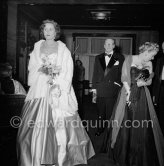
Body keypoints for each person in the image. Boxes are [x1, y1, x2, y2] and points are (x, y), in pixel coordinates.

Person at [17, 19, 95, 166]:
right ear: (42, 31)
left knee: (61, 128)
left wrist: (57, 79)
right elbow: (32, 67)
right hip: (39, 88)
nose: (47, 32)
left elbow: (68, 70)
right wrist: (41, 69)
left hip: (57, 87)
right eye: (45, 29)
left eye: (51, 29)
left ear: (56, 32)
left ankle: (61, 157)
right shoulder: (37, 46)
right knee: (27, 134)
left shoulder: (63, 50)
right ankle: (34, 155)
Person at [107, 42, 164, 166]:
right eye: (152, 55)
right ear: (146, 52)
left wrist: (140, 84)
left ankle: (138, 154)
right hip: (127, 92)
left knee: (141, 123)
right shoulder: (130, 58)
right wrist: (129, 93)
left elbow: (149, 82)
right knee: (125, 120)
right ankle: (123, 153)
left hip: (142, 95)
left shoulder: (149, 63)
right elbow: (124, 77)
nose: (153, 58)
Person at [92, 38, 124, 137]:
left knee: (111, 113)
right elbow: (95, 74)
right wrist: (94, 91)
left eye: (111, 44)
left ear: (114, 46)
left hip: (112, 89)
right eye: (107, 44)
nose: (108, 46)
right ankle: (100, 129)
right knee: (100, 112)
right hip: (100, 89)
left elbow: (123, 73)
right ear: (104, 45)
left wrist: (118, 84)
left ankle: (110, 132)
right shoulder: (98, 57)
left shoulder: (120, 57)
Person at [153, 41, 164, 132]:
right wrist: (155, 95)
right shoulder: (160, 60)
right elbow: (156, 79)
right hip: (161, 89)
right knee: (161, 113)